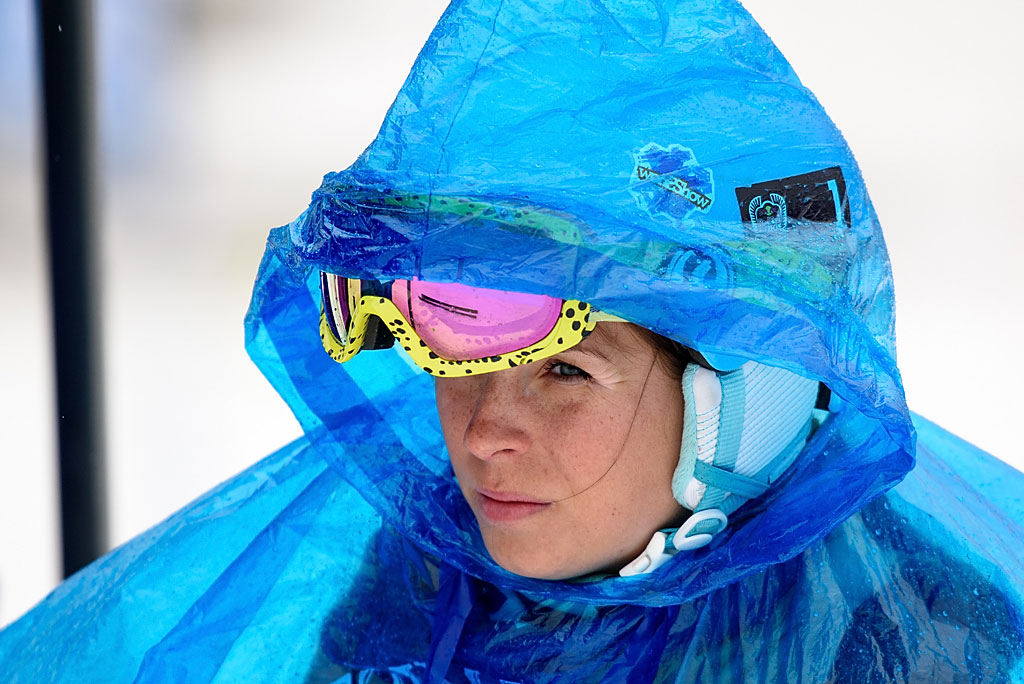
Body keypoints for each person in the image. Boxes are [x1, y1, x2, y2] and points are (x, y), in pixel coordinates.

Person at [2, 0, 1022, 682]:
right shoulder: (403, 601)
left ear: (744, 410)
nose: (485, 433)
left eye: (564, 374)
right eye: (455, 365)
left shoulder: (910, 640)